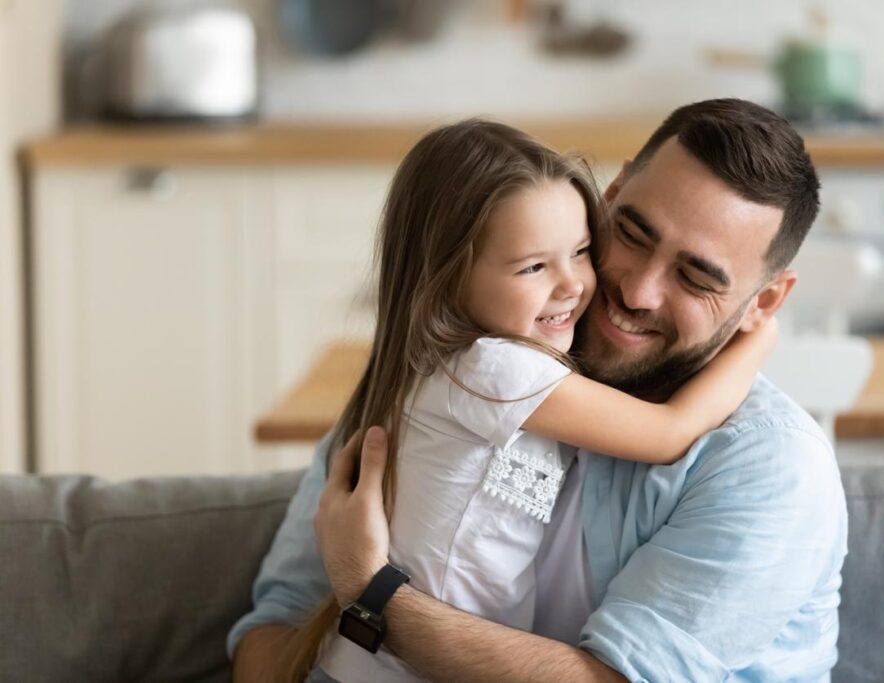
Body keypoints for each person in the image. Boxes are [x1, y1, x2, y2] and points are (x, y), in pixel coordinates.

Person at [230, 99, 848, 682]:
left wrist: (369, 590)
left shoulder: (768, 465)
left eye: (693, 276)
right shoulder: (437, 377)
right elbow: (271, 639)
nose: (636, 292)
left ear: (763, 303)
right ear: (607, 196)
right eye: (631, 233)